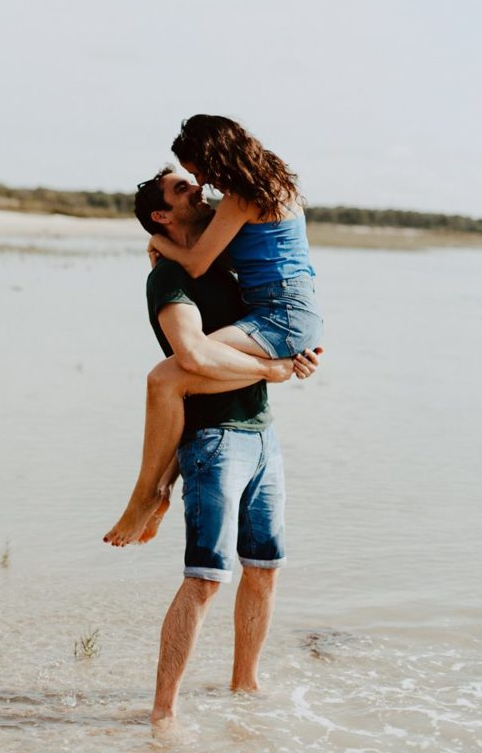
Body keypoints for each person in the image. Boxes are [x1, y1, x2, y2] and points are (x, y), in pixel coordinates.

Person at [110, 168, 322, 734]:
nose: (198, 191)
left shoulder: (222, 263)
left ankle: (245, 685)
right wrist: (271, 370)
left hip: (262, 434)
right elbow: (193, 356)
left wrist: (292, 358)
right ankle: (162, 713)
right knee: (204, 578)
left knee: (265, 570)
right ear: (162, 214)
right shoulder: (169, 280)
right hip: (212, 441)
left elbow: (273, 320)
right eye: (182, 190)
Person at [104, 116, 323, 545]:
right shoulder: (265, 182)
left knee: (166, 378)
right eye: (191, 179)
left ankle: (145, 496)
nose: (201, 182)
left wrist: (157, 245)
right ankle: (160, 489)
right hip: (285, 310)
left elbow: (199, 261)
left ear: (214, 156)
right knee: (180, 381)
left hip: (281, 314)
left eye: (198, 170)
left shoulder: (244, 195)